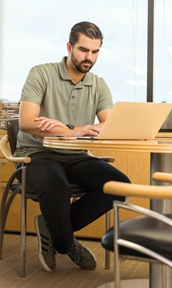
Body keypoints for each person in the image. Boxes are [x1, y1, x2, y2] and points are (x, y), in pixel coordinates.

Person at [14, 21, 131, 272]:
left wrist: (67, 130)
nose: (89, 57)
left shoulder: (98, 84)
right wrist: (73, 130)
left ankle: (52, 227)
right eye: (83, 50)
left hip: (77, 155)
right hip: (37, 153)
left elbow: (107, 127)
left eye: (95, 52)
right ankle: (67, 244)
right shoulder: (41, 73)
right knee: (57, 185)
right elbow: (26, 122)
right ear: (69, 46)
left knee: (119, 186)